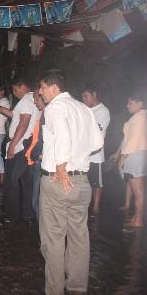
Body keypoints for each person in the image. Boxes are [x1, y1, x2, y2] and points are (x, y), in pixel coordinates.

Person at [38, 69, 103, 295]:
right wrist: (78, 157)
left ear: (54, 87)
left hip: (59, 182)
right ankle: (77, 288)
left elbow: (63, 136)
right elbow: (97, 142)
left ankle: (54, 291)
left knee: (53, 240)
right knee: (78, 238)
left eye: (42, 87)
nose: (40, 92)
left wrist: (61, 166)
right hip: (82, 183)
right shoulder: (83, 108)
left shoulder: (55, 107)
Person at [0, 76, 39, 224]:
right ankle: (27, 214)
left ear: (22, 86)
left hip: (19, 147)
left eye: (15, 89)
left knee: (10, 181)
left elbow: (23, 123)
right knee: (25, 181)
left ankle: (11, 216)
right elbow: (16, 116)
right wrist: (0, 109)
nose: (14, 92)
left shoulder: (26, 100)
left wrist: (12, 145)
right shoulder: (32, 100)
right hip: (27, 146)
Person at [113, 90, 147, 228]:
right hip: (137, 154)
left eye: (130, 102)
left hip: (134, 155)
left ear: (140, 103)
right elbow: (128, 138)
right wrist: (119, 152)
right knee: (134, 185)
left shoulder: (140, 118)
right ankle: (134, 214)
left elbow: (133, 140)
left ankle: (138, 219)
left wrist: (123, 157)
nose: (127, 105)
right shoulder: (139, 116)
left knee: (138, 190)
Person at [81, 85, 110, 216]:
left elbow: (96, 131)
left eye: (86, 96)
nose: (84, 99)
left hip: (96, 154)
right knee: (84, 182)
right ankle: (85, 206)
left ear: (94, 94)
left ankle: (96, 207)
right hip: (83, 154)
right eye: (82, 97)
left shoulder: (103, 111)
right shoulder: (85, 110)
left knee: (96, 183)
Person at [24, 90, 46, 219]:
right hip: (36, 159)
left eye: (37, 98)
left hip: (41, 160)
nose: (35, 102)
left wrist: (37, 153)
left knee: (37, 201)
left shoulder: (48, 114)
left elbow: (44, 139)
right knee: (36, 199)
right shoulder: (42, 114)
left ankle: (43, 235)